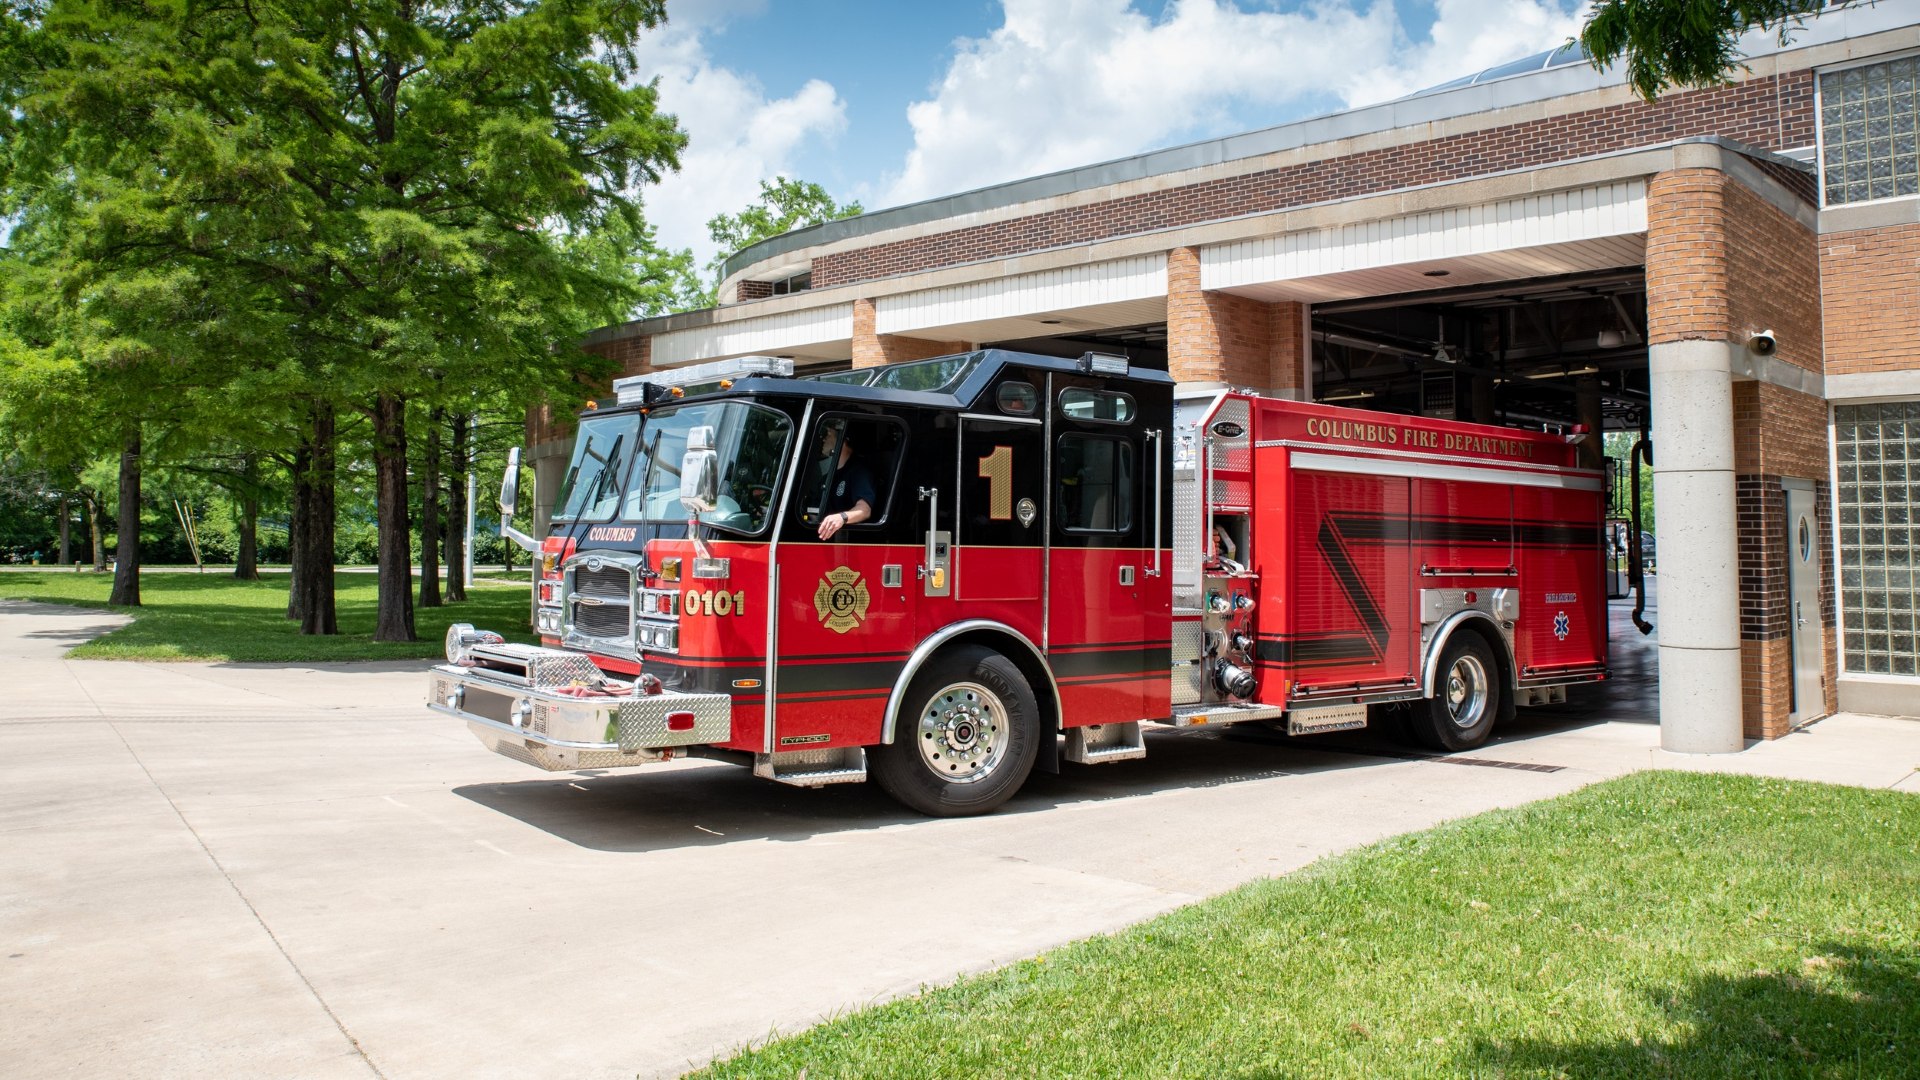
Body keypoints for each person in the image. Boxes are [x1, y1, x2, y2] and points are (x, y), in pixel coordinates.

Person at [815, 422, 876, 540]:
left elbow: (864, 510)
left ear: (844, 439)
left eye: (828, 434)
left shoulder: (859, 471)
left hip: (845, 540)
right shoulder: (829, 476)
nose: (823, 439)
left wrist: (841, 518)